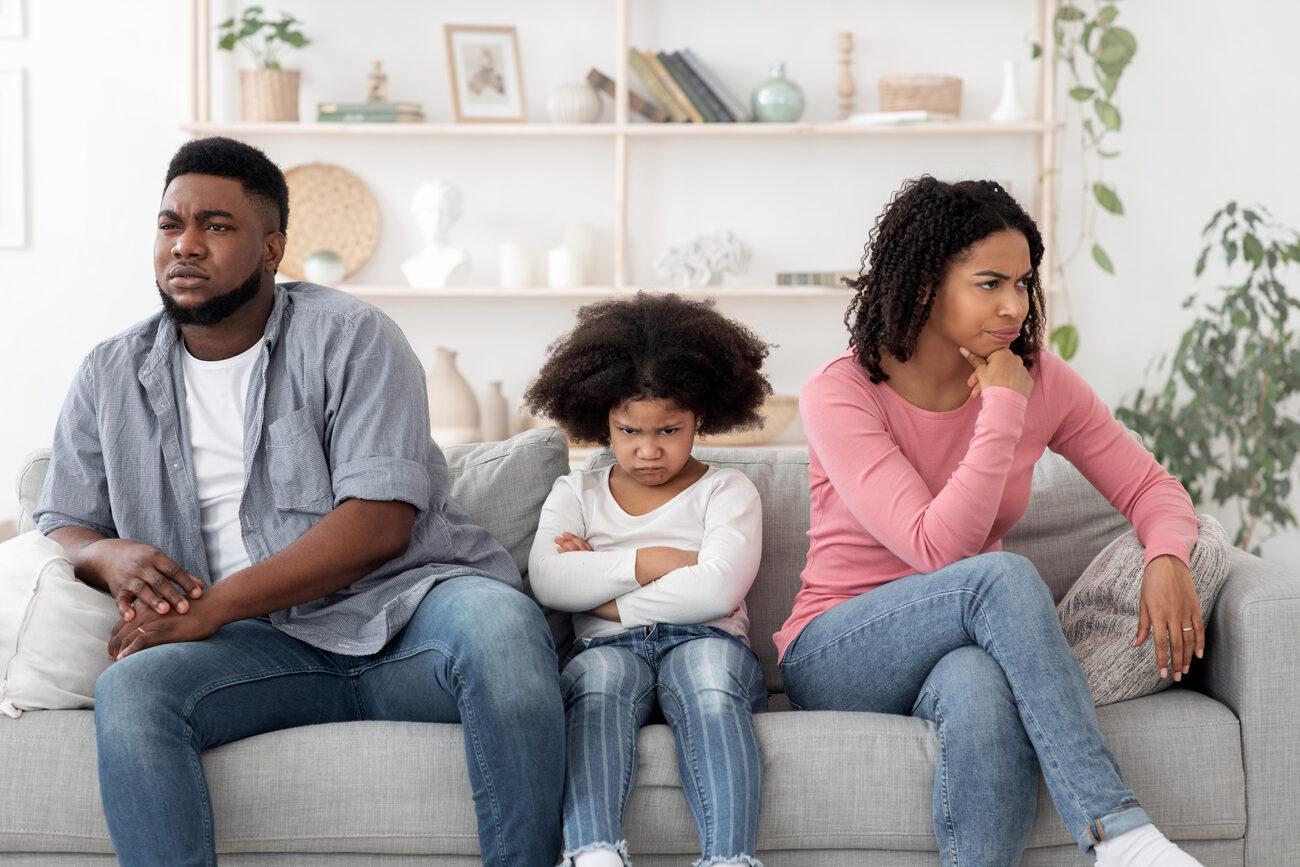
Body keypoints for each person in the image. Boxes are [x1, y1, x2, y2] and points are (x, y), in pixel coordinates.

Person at [33, 136, 564, 866]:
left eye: (216, 226)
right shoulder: (110, 373)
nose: (185, 245)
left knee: (502, 624)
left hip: (408, 616)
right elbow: (61, 520)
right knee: (134, 690)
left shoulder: (353, 337)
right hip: (254, 651)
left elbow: (378, 523)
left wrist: (213, 606)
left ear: (272, 246)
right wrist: (103, 550)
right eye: (170, 225)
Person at [775, 176, 1205, 867]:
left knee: (978, 681)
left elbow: (1151, 486)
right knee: (998, 576)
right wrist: (1001, 406)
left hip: (956, 643)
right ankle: (1118, 831)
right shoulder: (842, 391)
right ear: (923, 284)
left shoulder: (1045, 379)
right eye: (989, 283)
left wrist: (1167, 556)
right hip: (836, 648)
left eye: (1025, 282)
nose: (1015, 304)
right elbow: (934, 546)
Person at [524, 292, 772, 867]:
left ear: (700, 417)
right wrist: (655, 560)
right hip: (605, 651)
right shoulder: (576, 492)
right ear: (602, 421)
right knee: (597, 691)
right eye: (628, 430)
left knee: (710, 685)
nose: (649, 449)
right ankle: (593, 855)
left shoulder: (726, 491)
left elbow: (717, 590)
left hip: (708, 642)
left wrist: (606, 592)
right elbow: (551, 582)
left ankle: (730, 860)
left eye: (669, 429)